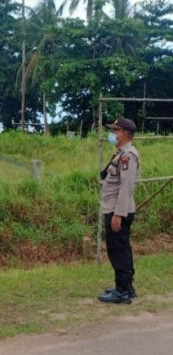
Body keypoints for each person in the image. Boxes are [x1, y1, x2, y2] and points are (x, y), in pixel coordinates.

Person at [97, 117, 140, 304]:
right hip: (115, 209)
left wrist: (118, 214)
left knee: (117, 250)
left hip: (118, 211)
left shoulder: (128, 156)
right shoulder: (121, 153)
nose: (113, 134)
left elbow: (126, 187)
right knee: (121, 249)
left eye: (116, 131)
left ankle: (122, 291)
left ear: (125, 134)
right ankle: (126, 287)